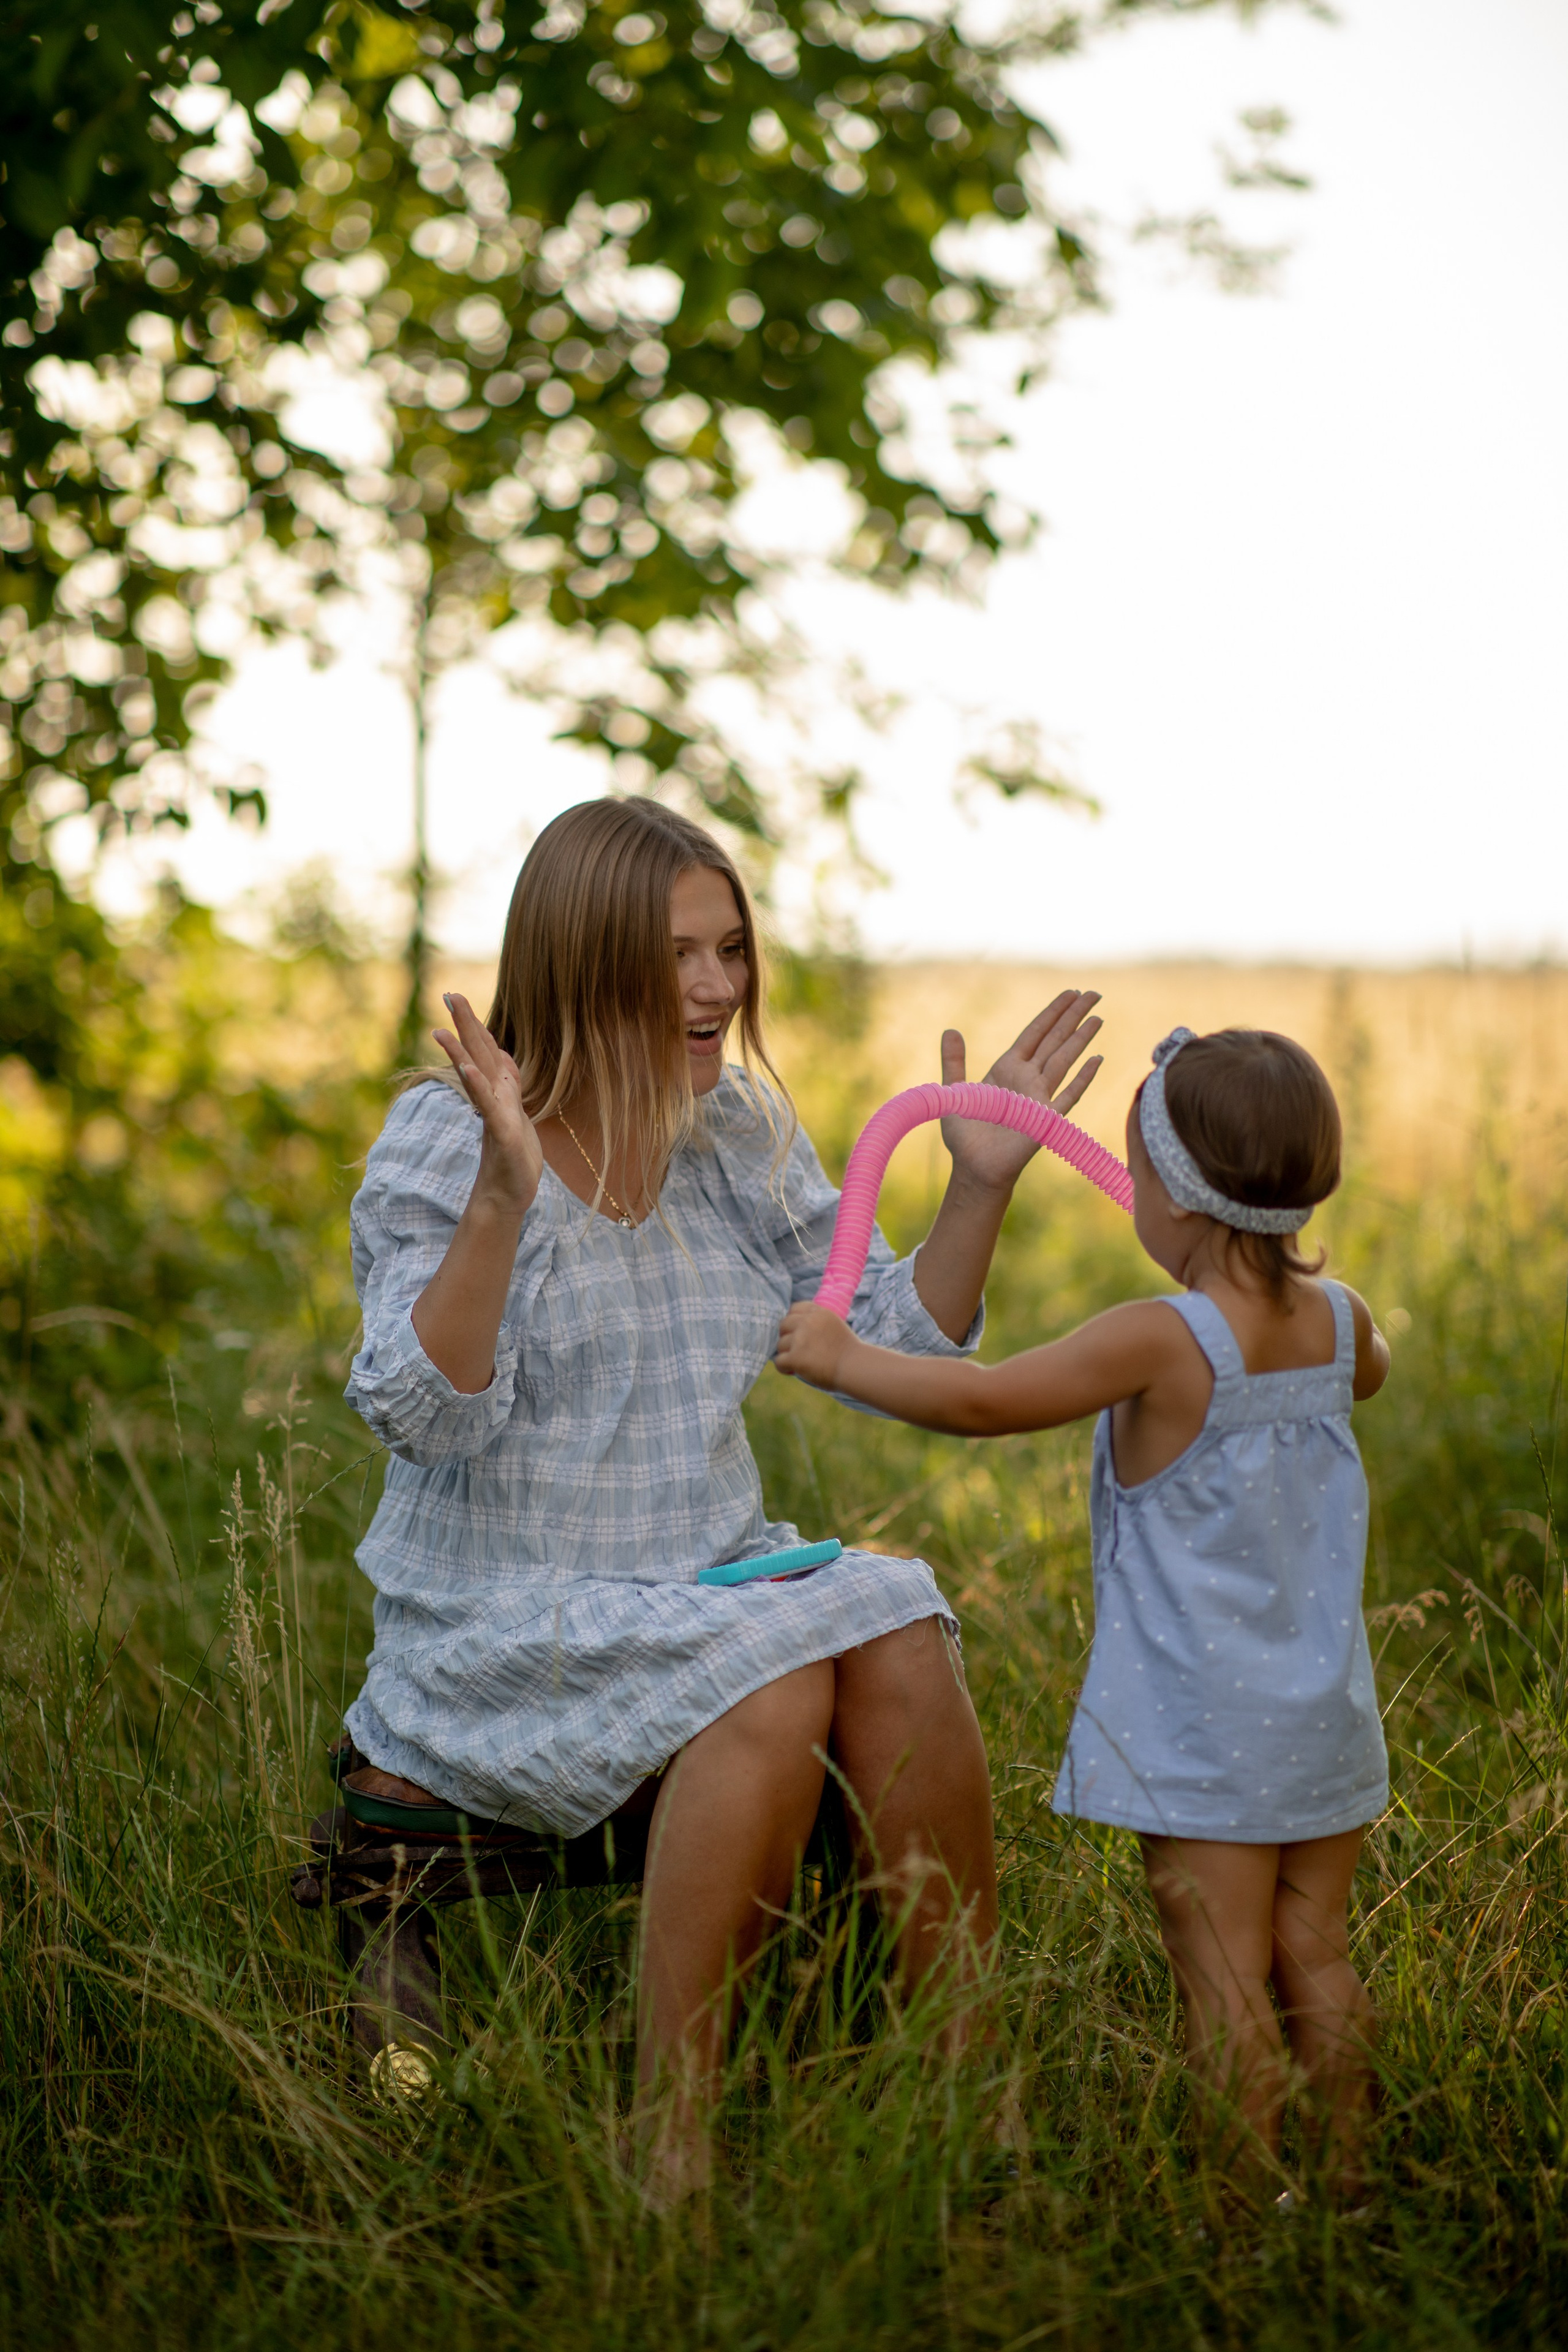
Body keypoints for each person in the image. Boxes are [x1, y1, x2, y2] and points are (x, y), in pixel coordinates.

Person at [339, 794, 1105, 2196]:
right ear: (579, 958)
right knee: (769, 1680)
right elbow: (420, 1415)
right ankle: (668, 2144)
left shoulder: (735, 1126)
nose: (715, 987)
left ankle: (967, 2097)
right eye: (677, 954)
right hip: (499, 1628)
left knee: (891, 1617)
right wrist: (507, 1198)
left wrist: (976, 1189)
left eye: (730, 948)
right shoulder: (450, 1146)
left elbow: (886, 1338)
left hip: (699, 1585)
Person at [777, 1025, 1390, 2202]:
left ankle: (1248, 2217)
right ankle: (1352, 2185)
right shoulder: (1344, 1321)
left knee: (1218, 1978)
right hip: (1326, 1718)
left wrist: (843, 1358)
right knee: (1314, 1952)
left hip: (1211, 1733)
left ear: (1179, 1196)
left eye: (1139, 1174)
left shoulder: (1161, 1339)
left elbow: (985, 1398)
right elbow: (1366, 1373)